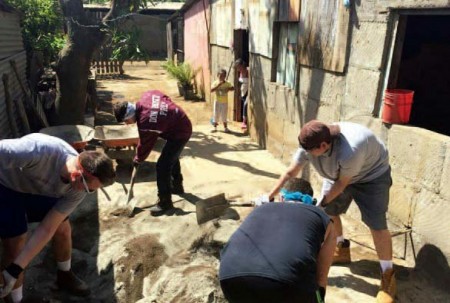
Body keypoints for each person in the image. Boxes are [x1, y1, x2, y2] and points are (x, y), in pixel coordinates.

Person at [268, 120, 395, 303]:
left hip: (371, 176)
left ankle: (388, 276)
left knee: (376, 224)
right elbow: (290, 173)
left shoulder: (350, 149)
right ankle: (341, 249)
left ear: (324, 145)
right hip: (337, 175)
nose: (307, 154)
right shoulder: (310, 145)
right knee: (329, 214)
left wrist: (319, 206)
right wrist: (270, 196)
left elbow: (342, 184)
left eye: (311, 151)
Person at [0, 133, 116, 302]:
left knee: (62, 228)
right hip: (6, 185)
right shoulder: (36, 152)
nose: (87, 193)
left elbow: (47, 227)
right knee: (16, 242)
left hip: (39, 189)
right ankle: (15, 299)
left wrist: (16, 269)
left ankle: (64, 274)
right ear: (77, 175)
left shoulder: (78, 189)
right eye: (89, 189)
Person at [219, 202, 335, 303]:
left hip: (230, 277)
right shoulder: (322, 217)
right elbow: (321, 276)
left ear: (282, 198)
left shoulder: (261, 208)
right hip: (286, 284)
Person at [113, 90, 192, 216]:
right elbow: (166, 98)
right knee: (171, 157)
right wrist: (167, 118)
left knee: (162, 166)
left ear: (129, 115)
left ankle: (165, 203)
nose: (127, 124)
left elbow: (145, 145)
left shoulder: (145, 122)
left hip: (180, 132)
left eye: (126, 121)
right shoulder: (148, 95)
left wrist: (137, 159)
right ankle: (177, 186)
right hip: (180, 120)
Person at [235, 59, 249, 130]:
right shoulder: (240, 73)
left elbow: (250, 83)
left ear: (241, 65)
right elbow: (240, 84)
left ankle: (244, 122)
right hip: (243, 91)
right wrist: (240, 93)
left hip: (247, 92)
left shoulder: (247, 71)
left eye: (238, 67)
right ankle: (244, 121)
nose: (237, 69)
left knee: (245, 105)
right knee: (244, 104)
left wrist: (248, 93)